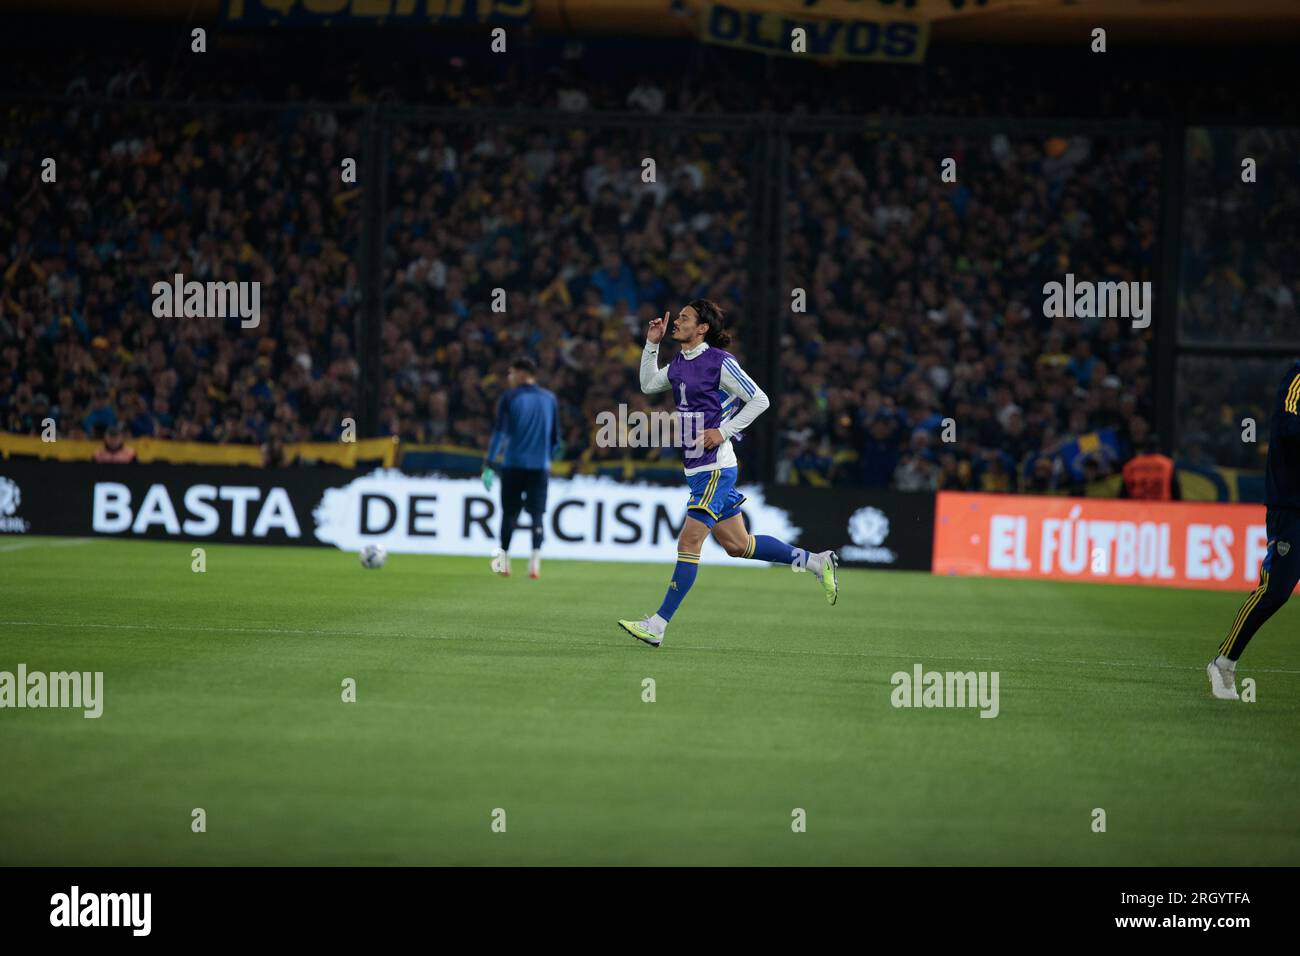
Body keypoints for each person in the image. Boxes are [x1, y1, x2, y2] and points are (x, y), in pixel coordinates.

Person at [617, 300, 839, 649]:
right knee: (738, 545)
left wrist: (725, 430)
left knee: (689, 541)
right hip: (696, 468)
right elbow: (647, 385)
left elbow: (760, 399)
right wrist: (652, 343)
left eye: (685, 318)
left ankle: (657, 625)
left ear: (702, 328)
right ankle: (815, 562)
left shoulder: (720, 362)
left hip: (716, 468)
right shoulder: (677, 363)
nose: (677, 322)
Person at [1208, 359, 1300, 699]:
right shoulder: (1296, 377)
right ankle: (1224, 662)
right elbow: (1288, 428)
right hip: (1292, 508)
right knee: (1275, 590)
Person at [483, 357, 561, 579]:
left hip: (513, 464)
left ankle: (502, 564)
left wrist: (489, 463)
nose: (508, 378)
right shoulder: (550, 399)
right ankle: (534, 565)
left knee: (509, 513)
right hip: (539, 467)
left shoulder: (509, 398)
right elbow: (556, 440)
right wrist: (547, 458)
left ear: (520, 373)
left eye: (510, 373)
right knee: (537, 515)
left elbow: (501, 433)